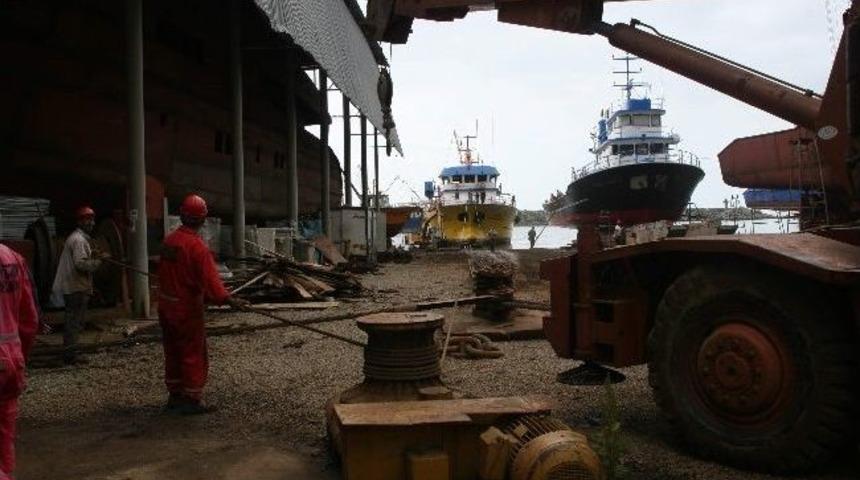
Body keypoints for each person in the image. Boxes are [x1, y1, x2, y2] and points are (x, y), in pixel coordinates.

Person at [157, 194, 249, 415]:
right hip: (186, 310)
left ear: (181, 216)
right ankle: (191, 399)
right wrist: (229, 299)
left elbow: (171, 273)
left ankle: (175, 395)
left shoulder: (169, 241)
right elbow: (212, 283)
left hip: (166, 307)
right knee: (192, 353)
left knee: (172, 351)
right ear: (203, 219)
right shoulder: (197, 247)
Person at [0, 244, 39, 479]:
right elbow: (29, 320)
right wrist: (20, 356)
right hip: (12, 363)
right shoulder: (12, 258)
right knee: (4, 436)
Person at [52, 207, 105, 365]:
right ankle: (71, 355)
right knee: (75, 322)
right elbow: (81, 264)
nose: (91, 223)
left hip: (75, 286)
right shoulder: (79, 240)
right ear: (80, 221)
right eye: (87, 220)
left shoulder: (77, 238)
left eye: (92, 219)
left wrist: (94, 256)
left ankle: (71, 352)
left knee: (74, 321)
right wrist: (99, 262)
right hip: (76, 287)